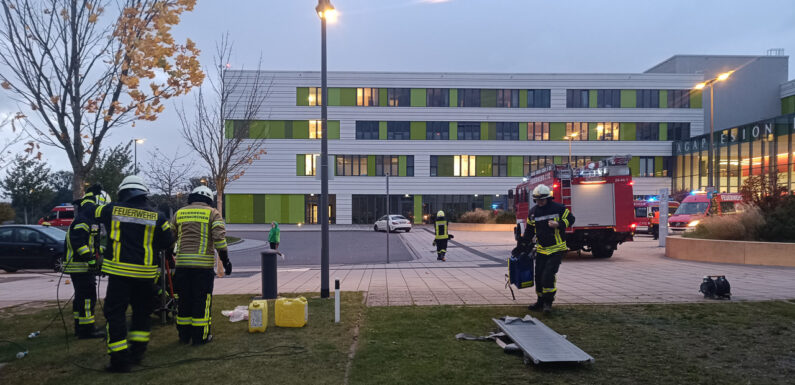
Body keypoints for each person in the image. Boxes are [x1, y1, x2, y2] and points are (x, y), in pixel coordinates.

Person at [95, 175, 174, 372]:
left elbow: (93, 213)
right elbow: (168, 241)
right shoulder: (158, 217)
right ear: (143, 193)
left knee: (116, 315)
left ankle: (119, 360)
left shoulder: (110, 210)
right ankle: (137, 353)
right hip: (145, 275)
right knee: (142, 314)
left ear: (123, 192)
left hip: (119, 274)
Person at [171, 186, 231, 346]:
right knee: (201, 301)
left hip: (182, 265)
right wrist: (225, 261)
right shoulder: (213, 213)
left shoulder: (179, 213)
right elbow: (219, 240)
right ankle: (200, 337)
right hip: (202, 267)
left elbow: (171, 238)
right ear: (209, 200)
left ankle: (184, 336)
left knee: (184, 300)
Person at [63, 184, 109, 339]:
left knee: (81, 298)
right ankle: (87, 330)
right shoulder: (84, 220)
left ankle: (80, 328)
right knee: (88, 298)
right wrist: (91, 261)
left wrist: (103, 252)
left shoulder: (87, 218)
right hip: (79, 266)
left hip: (80, 265)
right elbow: (79, 244)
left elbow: (91, 244)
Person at [521, 184, 574, 314]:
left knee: (548, 276)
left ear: (548, 198)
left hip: (557, 249)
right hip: (541, 250)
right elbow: (529, 231)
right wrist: (521, 246)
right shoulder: (533, 212)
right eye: (537, 200)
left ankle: (548, 303)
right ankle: (540, 301)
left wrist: (559, 224)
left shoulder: (559, 208)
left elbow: (571, 219)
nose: (539, 202)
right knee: (538, 276)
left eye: (542, 200)